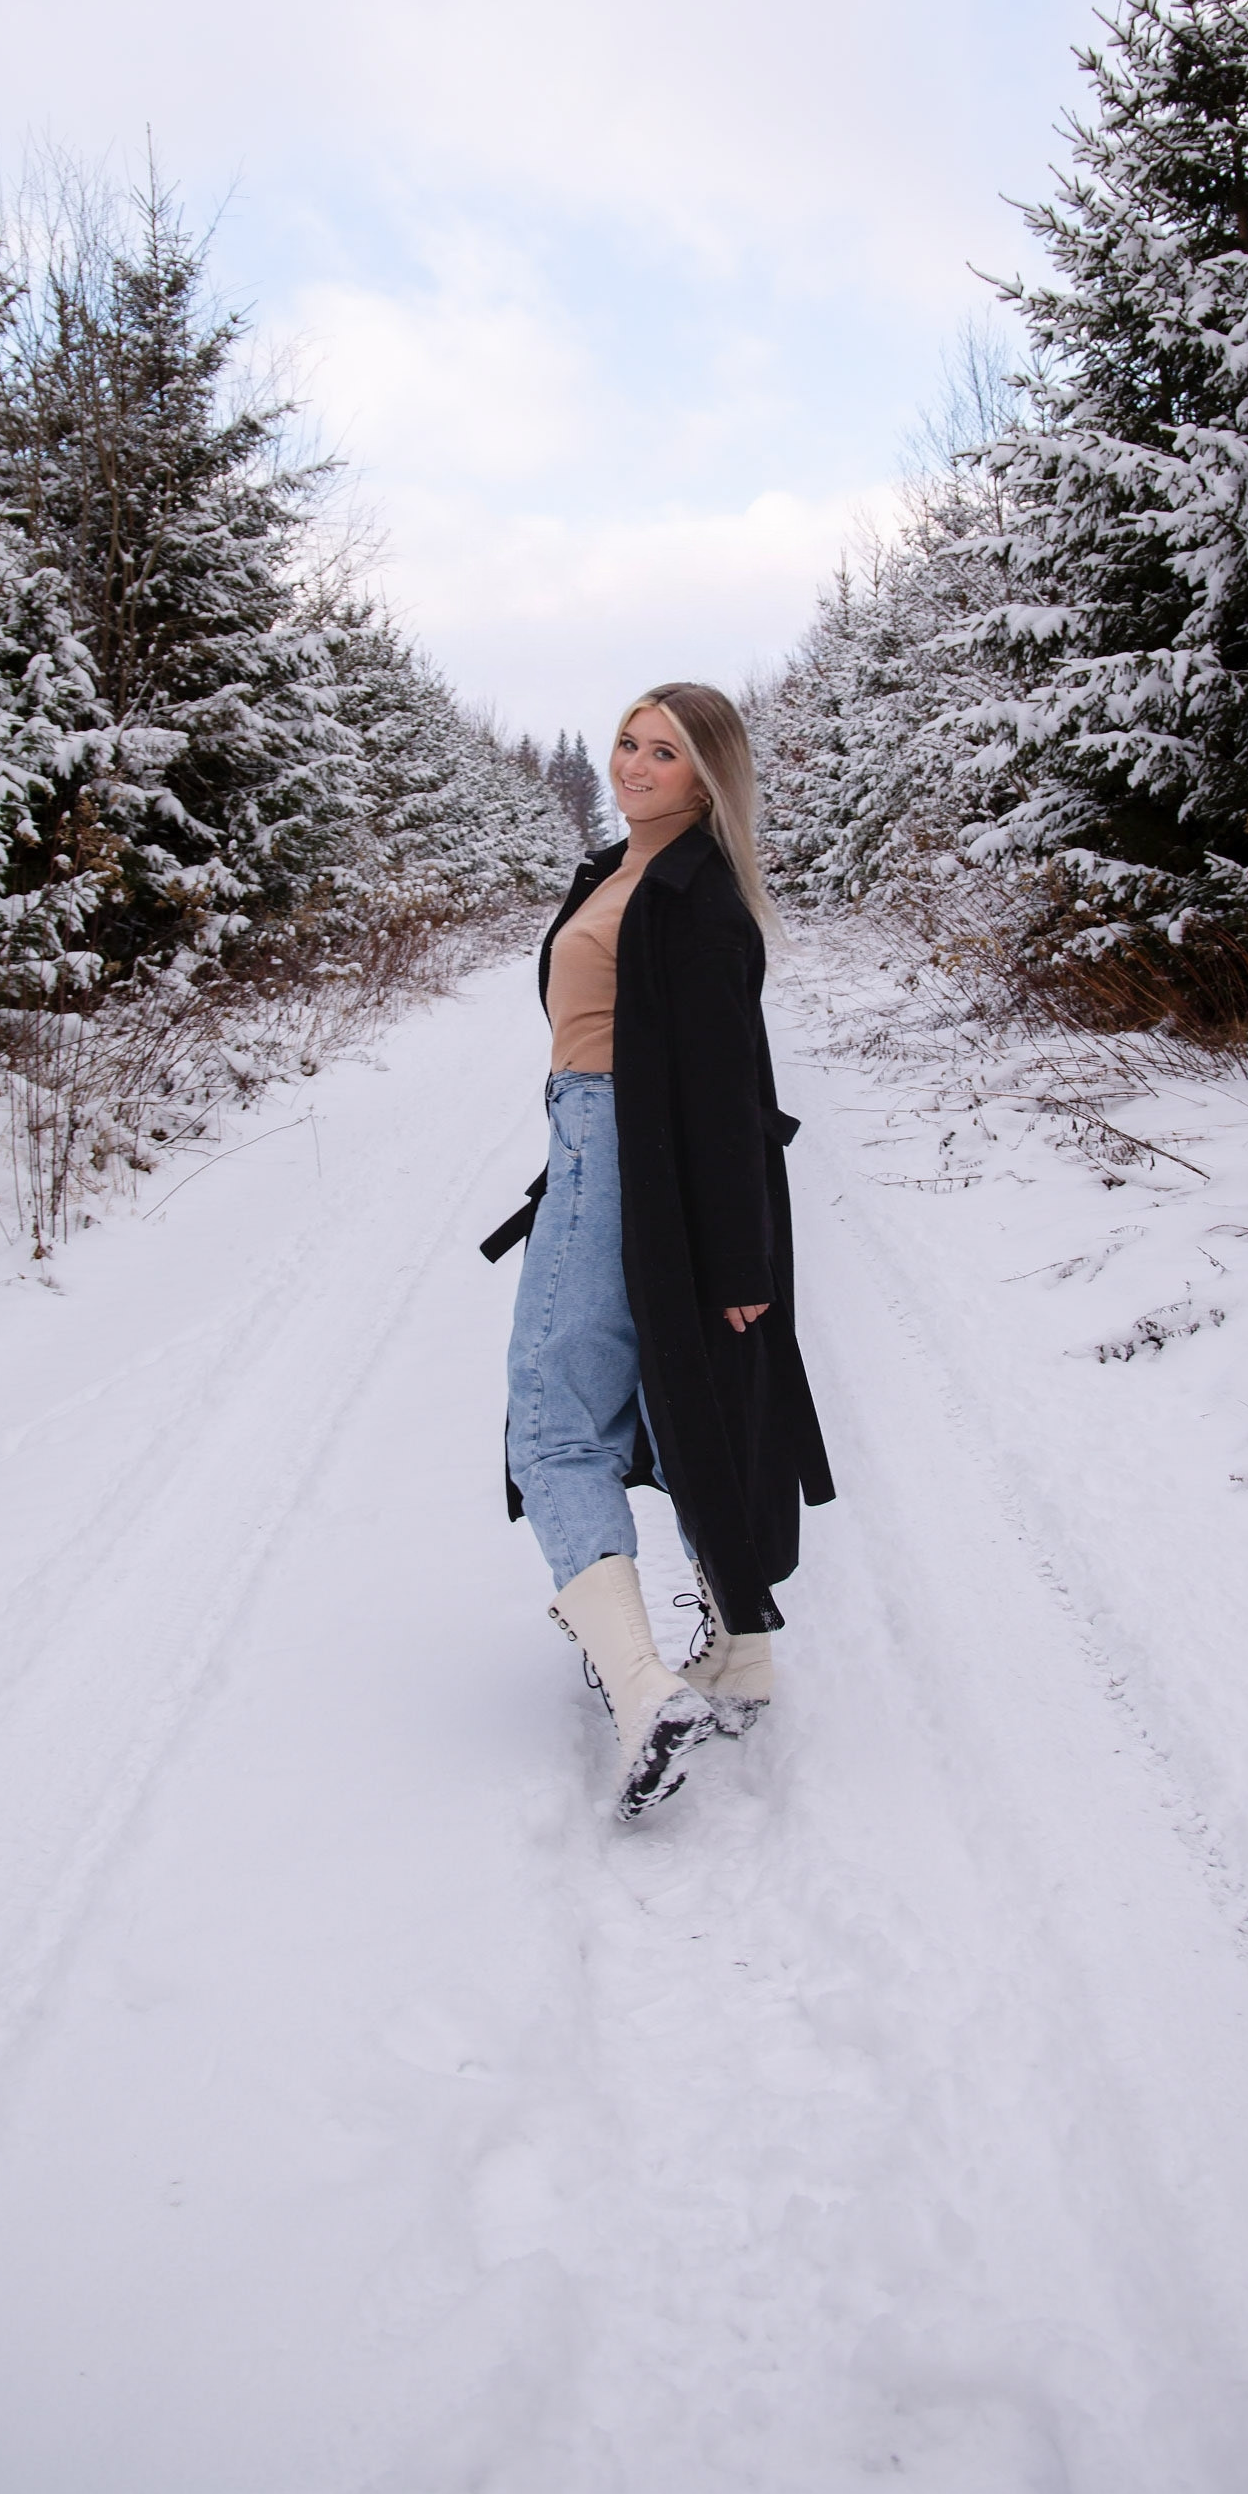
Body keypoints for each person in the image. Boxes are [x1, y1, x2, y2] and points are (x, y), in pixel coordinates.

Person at [481, 682, 835, 1819]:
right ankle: (737, 1653)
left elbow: (729, 1086)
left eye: (664, 753)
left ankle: (642, 1690)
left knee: (552, 1417)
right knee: (672, 1403)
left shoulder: (695, 900)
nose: (634, 766)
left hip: (619, 1150)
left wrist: (737, 1267)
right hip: (603, 1141)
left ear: (706, 776)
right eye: (627, 743)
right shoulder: (619, 869)